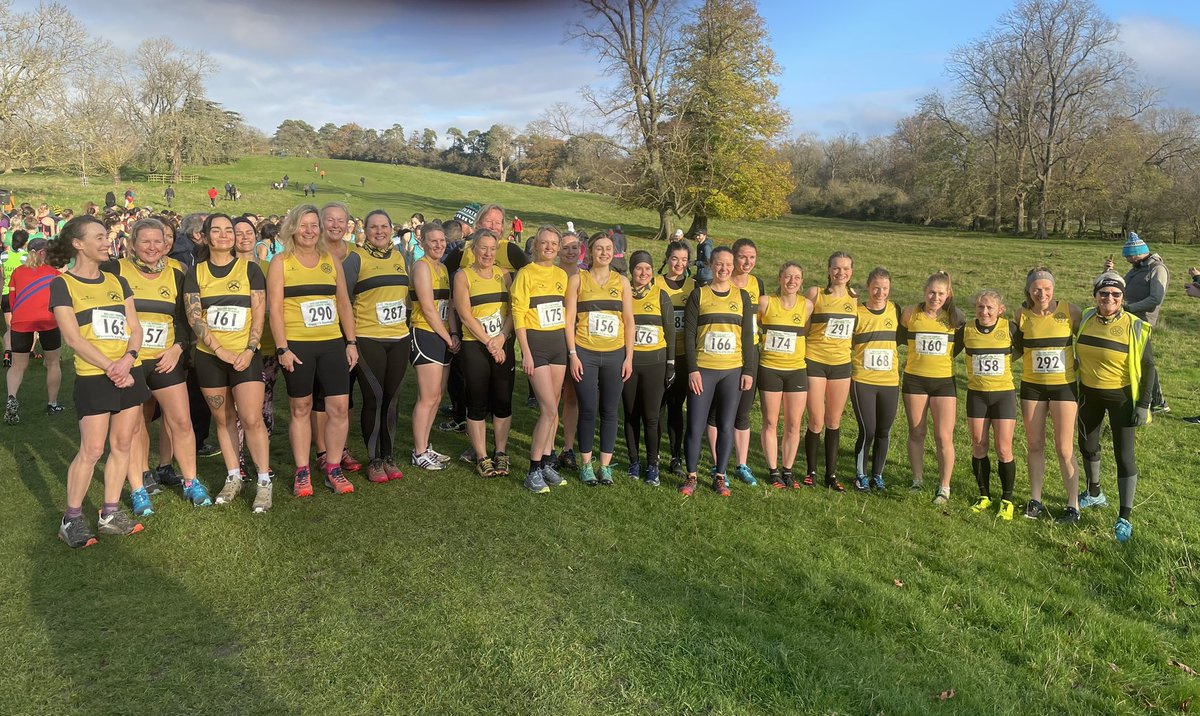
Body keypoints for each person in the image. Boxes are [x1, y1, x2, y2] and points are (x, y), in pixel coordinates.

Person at [47, 215, 149, 547]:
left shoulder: (117, 281)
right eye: (100, 237)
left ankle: (109, 514)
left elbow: (135, 327)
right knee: (91, 449)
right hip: (95, 376)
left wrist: (128, 360)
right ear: (78, 243)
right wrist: (111, 367)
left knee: (122, 445)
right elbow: (73, 338)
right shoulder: (63, 284)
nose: (108, 242)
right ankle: (71, 518)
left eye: (107, 236)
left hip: (127, 371)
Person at [105, 219, 201, 515]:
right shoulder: (115, 270)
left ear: (166, 243)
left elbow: (185, 319)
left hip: (165, 359)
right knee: (132, 427)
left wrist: (178, 348)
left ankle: (191, 482)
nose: (152, 247)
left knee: (182, 422)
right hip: (129, 362)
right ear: (132, 243)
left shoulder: (177, 272)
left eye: (157, 241)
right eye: (144, 241)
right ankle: (137, 489)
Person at [268, 204, 358, 497]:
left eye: (313, 225)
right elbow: (275, 311)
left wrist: (351, 342)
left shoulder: (329, 260)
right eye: (303, 225)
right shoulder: (280, 262)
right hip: (298, 346)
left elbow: (344, 303)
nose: (309, 231)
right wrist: (282, 347)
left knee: (339, 408)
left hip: (332, 343)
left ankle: (333, 467)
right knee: (301, 408)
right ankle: (302, 471)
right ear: (292, 227)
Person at [183, 213, 272, 510]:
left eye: (229, 231)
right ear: (206, 236)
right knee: (223, 419)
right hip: (212, 358)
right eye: (216, 231)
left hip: (246, 355)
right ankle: (233, 475)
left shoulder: (250, 270)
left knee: (251, 418)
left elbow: (259, 313)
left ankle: (263, 479)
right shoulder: (196, 273)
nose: (224, 235)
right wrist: (220, 351)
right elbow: (195, 317)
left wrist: (249, 349)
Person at [1075, 271, 1155, 542]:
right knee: (1087, 444)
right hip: (1088, 394)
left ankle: (1124, 516)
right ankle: (1094, 493)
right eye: (1103, 293)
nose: (1109, 298)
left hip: (1121, 398)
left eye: (1115, 294)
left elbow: (1149, 367)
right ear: (1095, 295)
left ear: (1123, 297)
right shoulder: (1086, 317)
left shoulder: (1134, 325)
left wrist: (1144, 404)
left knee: (1124, 456)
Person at [680, 246, 756, 497]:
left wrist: (748, 370)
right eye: (719, 264)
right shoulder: (698, 295)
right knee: (695, 424)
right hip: (704, 369)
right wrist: (692, 370)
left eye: (728, 265)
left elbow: (747, 337)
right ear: (711, 265)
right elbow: (689, 335)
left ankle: (720, 476)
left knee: (725, 425)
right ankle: (691, 476)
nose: (724, 269)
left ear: (733, 267)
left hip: (732, 371)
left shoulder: (742, 296)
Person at [341, 209, 409, 483]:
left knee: (393, 399)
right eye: (373, 227)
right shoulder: (356, 259)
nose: (379, 231)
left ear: (391, 229)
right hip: (368, 338)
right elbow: (343, 301)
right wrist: (350, 341)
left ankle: (389, 456)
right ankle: (375, 459)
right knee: (375, 398)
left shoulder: (400, 257)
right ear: (365, 231)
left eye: (384, 226)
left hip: (400, 338)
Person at [1012, 268, 1081, 521]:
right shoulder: (1021, 315)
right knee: (1034, 444)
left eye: (1047, 289)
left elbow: (1086, 340)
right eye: (1037, 289)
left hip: (1064, 386)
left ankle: (1073, 504)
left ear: (1054, 289)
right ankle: (1035, 499)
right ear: (1028, 291)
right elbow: (1016, 349)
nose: (1042, 294)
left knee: (1064, 448)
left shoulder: (1070, 311)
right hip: (1032, 387)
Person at [565, 232, 634, 485]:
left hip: (615, 355)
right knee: (588, 409)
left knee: (609, 411)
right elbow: (568, 320)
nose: (604, 253)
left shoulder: (622, 282)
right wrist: (573, 354)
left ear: (613, 252)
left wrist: (629, 357)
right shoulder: (577, 279)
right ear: (589, 252)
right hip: (585, 352)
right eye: (599, 249)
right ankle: (585, 464)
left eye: (608, 248)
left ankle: (605, 466)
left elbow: (629, 322)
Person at [512, 225, 570, 493]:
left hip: (558, 345)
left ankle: (547, 461)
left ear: (558, 248)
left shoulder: (561, 275)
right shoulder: (526, 274)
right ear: (535, 246)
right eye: (544, 243)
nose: (548, 247)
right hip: (536, 345)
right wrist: (525, 351)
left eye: (553, 244)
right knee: (547, 408)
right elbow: (518, 313)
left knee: (554, 407)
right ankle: (533, 469)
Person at [453, 229, 516, 478]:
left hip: (502, 343)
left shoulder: (504, 275)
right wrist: (490, 342)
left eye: (492, 249)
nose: (488, 253)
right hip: (476, 346)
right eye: (483, 248)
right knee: (476, 401)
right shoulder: (463, 276)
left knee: (503, 400)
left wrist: (501, 338)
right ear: (474, 250)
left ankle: (500, 452)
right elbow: (465, 315)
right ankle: (482, 456)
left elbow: (513, 310)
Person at [902, 272, 964, 504]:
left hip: (943, 382)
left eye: (940, 294)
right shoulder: (910, 313)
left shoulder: (955, 317)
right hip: (914, 380)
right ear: (924, 291)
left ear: (948, 294)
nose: (934, 297)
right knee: (916, 432)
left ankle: (944, 487)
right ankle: (917, 481)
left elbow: (959, 345)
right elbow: (899, 336)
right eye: (931, 292)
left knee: (943, 436)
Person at [707, 238, 763, 487]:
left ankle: (742, 464)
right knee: (716, 411)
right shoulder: (720, 281)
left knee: (743, 409)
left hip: (748, 352)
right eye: (742, 257)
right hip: (720, 355)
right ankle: (718, 464)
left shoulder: (757, 284)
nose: (747, 262)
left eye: (752, 257)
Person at [960, 289, 1017, 520]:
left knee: (1004, 448)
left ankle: (1007, 499)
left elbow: (1024, 348)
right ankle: (984, 495)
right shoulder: (966, 329)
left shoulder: (1010, 328)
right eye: (980, 307)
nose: (984, 311)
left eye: (990, 308)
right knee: (978, 444)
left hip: (1003, 395)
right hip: (977, 395)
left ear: (1000, 310)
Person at [803, 252, 858, 490]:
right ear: (828, 270)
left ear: (851, 272)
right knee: (816, 420)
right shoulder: (815, 294)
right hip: (814, 361)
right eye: (836, 268)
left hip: (841, 365)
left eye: (845, 269)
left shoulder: (855, 298)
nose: (841, 273)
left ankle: (831, 476)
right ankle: (811, 472)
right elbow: (802, 328)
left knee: (833, 420)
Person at [758, 262, 812, 489]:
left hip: (797, 370)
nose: (792, 281)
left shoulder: (807, 305)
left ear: (801, 282)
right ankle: (773, 471)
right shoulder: (766, 302)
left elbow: (807, 332)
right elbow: (756, 325)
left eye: (797, 277)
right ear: (779, 278)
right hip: (770, 368)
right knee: (770, 421)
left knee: (794, 423)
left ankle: (787, 470)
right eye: (788, 277)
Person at [622, 250, 674, 485]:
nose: (643, 273)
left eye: (648, 269)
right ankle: (634, 461)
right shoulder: (624, 295)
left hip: (655, 363)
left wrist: (671, 364)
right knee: (631, 415)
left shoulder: (661, 295)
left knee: (652, 418)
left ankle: (653, 465)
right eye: (639, 268)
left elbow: (671, 333)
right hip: (630, 363)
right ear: (631, 271)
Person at [408, 222, 457, 470]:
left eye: (442, 241)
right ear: (422, 243)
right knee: (427, 397)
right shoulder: (422, 267)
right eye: (433, 241)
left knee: (437, 396)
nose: (439, 245)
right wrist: (448, 338)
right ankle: (418, 452)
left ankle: (425, 446)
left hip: (443, 335)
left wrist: (453, 333)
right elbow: (427, 309)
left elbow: (447, 305)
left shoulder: (442, 268)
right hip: (426, 333)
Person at [1105, 232, 1169, 412]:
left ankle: (1157, 401)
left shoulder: (1157, 269)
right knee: (1139, 359)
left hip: (1141, 320)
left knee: (1144, 360)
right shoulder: (1136, 268)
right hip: (1128, 318)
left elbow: (1156, 298)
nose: (1127, 260)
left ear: (1137, 253)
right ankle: (1157, 401)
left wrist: (1131, 308)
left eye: (1128, 256)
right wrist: (1108, 273)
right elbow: (1120, 286)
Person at [850, 267, 900, 492]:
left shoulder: (895, 310)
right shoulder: (857, 312)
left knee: (883, 431)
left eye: (885, 288)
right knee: (868, 429)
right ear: (868, 287)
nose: (880, 292)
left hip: (889, 382)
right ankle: (860, 475)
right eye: (876, 288)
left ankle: (877, 475)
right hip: (863, 380)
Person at [4, 238, 63, 425]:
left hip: (21, 321)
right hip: (48, 321)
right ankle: (52, 403)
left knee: (17, 365)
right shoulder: (54, 274)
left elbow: (12, 301)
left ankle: (12, 397)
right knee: (53, 363)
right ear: (43, 253)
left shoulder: (17, 273)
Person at [658, 240, 694, 476]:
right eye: (675, 259)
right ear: (667, 258)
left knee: (676, 407)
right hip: (659, 354)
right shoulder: (655, 283)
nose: (679, 264)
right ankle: (654, 454)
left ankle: (675, 457)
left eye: (683, 260)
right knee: (656, 407)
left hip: (683, 355)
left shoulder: (694, 286)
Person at [553, 231, 583, 467]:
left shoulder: (586, 276)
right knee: (552, 397)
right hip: (553, 339)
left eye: (575, 247)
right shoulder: (551, 273)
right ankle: (548, 447)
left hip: (578, 341)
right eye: (566, 247)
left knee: (571, 396)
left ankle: (568, 448)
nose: (571, 251)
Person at [2, 229, 30, 366]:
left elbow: (2, 277)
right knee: (28, 326)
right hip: (20, 295)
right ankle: (27, 351)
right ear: (25, 243)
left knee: (9, 327)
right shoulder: (25, 257)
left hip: (6, 294)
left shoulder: (3, 256)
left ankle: (7, 353)